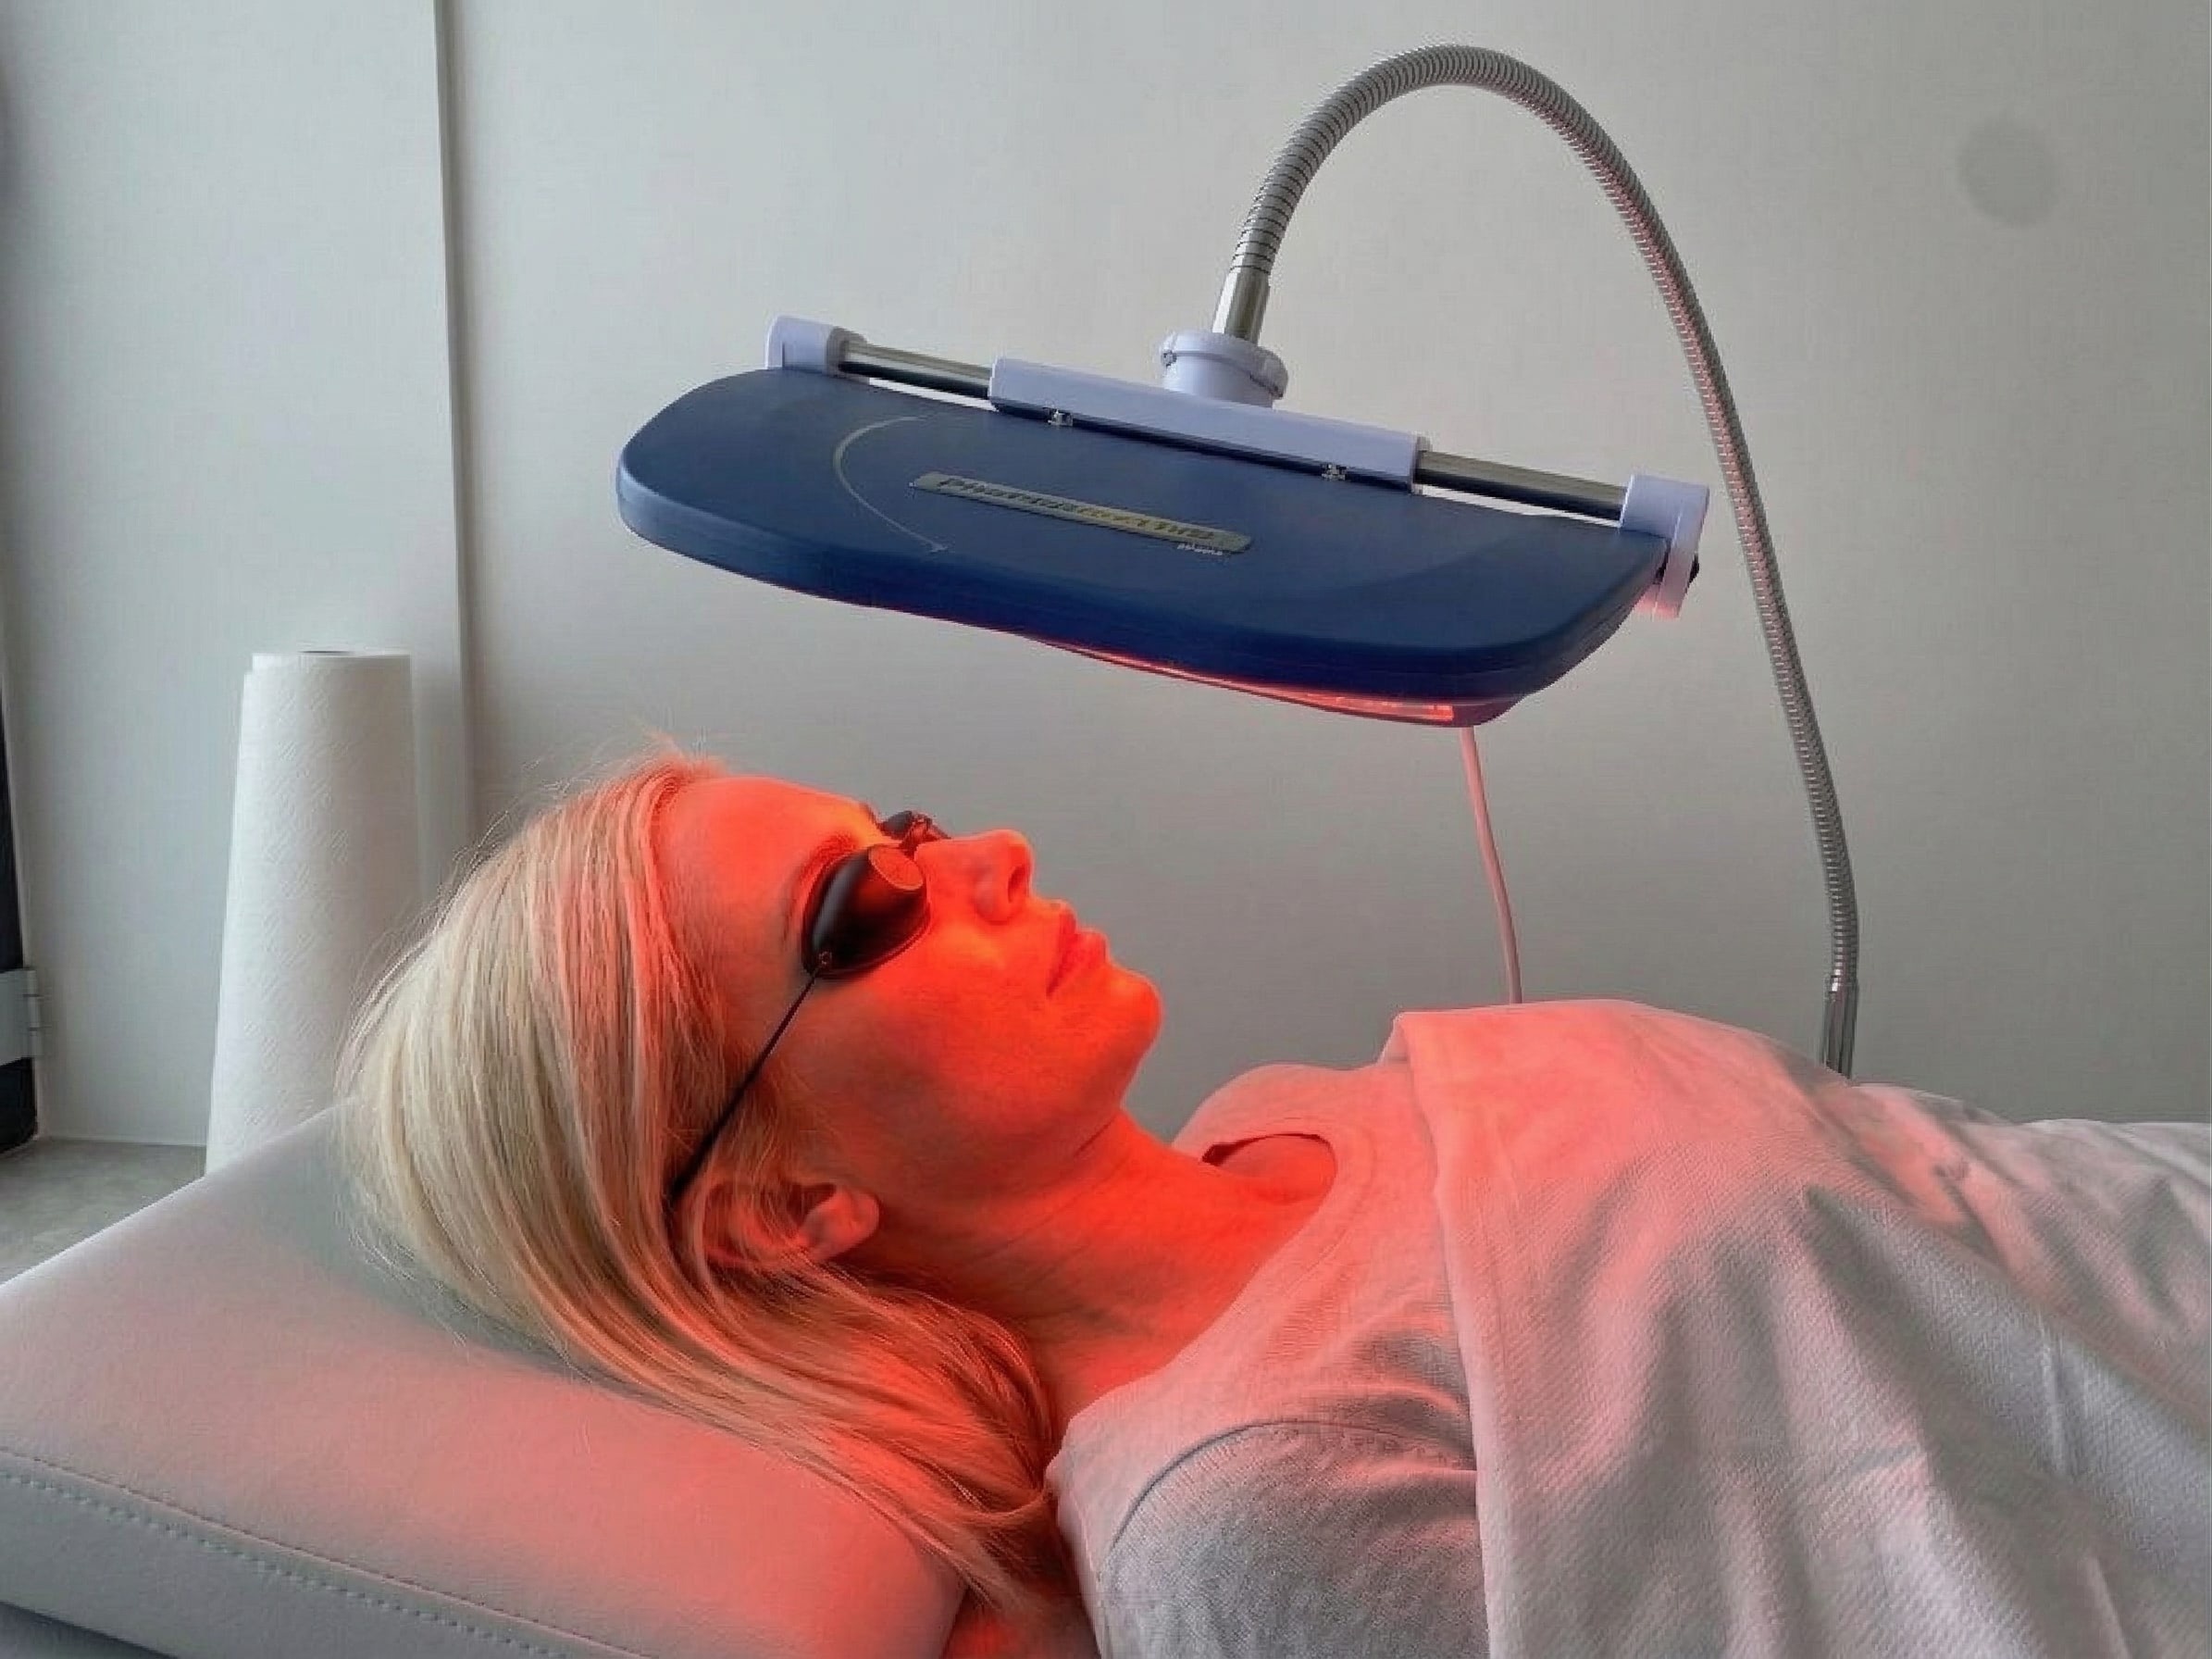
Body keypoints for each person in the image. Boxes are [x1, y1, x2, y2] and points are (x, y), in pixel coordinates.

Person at [340, 745, 2211, 1658]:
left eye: (898, 824)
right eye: (863, 910)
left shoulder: (1282, 1111)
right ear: (783, 1206)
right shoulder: (1243, 1496)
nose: (987, 856)